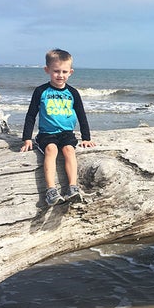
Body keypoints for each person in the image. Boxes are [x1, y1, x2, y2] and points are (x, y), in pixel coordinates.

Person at [20, 49, 95, 206]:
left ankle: (73, 188)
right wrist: (27, 138)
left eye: (64, 71)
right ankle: (51, 191)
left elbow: (82, 115)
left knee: (69, 150)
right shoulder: (41, 91)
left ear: (71, 72)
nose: (60, 75)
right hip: (47, 134)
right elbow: (31, 115)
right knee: (51, 150)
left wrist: (86, 137)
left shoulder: (73, 93)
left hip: (66, 133)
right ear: (47, 70)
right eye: (56, 71)